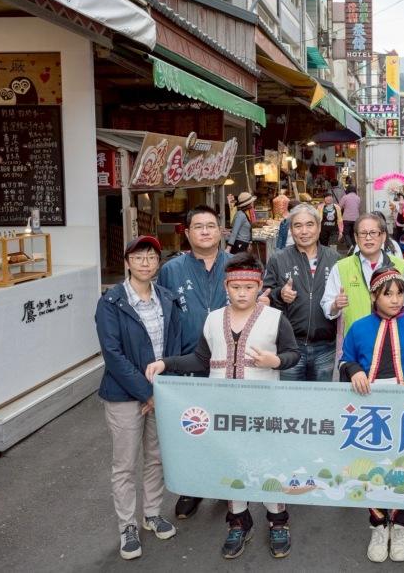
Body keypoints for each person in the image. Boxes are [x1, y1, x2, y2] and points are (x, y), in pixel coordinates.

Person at [146, 253, 300, 560]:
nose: (242, 293)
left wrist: (276, 361)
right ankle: (238, 522)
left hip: (263, 411)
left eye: (249, 287)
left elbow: (293, 354)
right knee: (231, 465)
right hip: (224, 412)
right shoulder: (213, 319)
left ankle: (277, 521)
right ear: (225, 287)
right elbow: (200, 359)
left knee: (267, 464)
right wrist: (167, 363)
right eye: (235, 287)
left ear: (259, 286)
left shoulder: (275, 318)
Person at [339, 268, 404, 563]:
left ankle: (402, 524)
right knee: (371, 465)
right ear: (373, 296)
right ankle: (378, 524)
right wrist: (354, 370)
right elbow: (346, 358)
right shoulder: (359, 327)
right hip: (370, 410)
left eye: (400, 293)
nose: (395, 300)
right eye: (388, 294)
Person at [95, 236, 181, 560]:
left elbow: (174, 347)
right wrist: (146, 393)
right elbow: (113, 354)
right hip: (123, 395)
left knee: (156, 457)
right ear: (127, 262)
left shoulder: (167, 298)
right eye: (139, 257)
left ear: (158, 263)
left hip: (160, 392)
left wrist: (162, 390)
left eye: (152, 257)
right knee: (125, 464)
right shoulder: (111, 302)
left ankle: (152, 513)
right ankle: (127, 526)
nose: (146, 263)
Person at [157, 205, 229, 520]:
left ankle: (227, 484)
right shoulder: (171, 270)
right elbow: (163, 317)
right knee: (193, 426)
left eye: (210, 226)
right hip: (188, 362)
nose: (205, 231)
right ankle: (192, 487)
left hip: (229, 361)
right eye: (198, 226)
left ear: (220, 231)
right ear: (187, 233)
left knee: (226, 425)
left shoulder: (236, 264)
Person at [262, 204, 340, 382]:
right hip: (289, 346)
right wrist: (279, 294)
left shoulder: (334, 259)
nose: (304, 231)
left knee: (322, 397)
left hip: (325, 347)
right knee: (289, 398)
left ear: (319, 227)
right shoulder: (278, 258)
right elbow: (264, 296)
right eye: (298, 226)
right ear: (291, 230)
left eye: (309, 225)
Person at [321, 213, 404, 347]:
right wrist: (335, 305)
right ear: (355, 237)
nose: (368, 238)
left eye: (373, 233)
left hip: (392, 342)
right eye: (363, 233)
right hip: (355, 344)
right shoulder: (341, 267)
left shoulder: (400, 266)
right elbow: (327, 306)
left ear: (383, 236)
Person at [339, 185, 361, 249]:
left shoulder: (345, 197)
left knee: (346, 232)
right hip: (356, 218)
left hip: (346, 218)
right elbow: (358, 207)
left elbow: (339, 207)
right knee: (353, 233)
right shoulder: (358, 198)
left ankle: (350, 245)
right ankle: (354, 246)